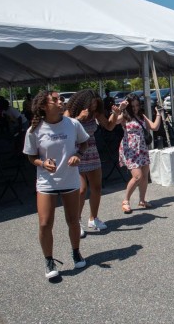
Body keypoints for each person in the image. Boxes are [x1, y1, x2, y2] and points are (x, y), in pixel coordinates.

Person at [22, 91, 89, 279]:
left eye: (61, 98)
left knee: (73, 220)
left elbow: (84, 143)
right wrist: (42, 164)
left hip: (70, 180)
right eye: (56, 99)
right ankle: (49, 260)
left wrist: (78, 155)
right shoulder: (34, 130)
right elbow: (31, 156)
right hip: (46, 182)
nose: (61, 101)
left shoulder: (72, 124)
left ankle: (76, 252)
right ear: (44, 106)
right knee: (44, 224)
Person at [65, 89, 124, 238]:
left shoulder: (96, 113)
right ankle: (76, 222)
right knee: (81, 190)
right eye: (91, 104)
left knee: (97, 187)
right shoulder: (70, 113)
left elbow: (109, 126)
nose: (93, 107)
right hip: (76, 154)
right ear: (82, 102)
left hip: (92, 152)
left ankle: (93, 218)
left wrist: (116, 114)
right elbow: (64, 131)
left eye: (96, 105)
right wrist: (78, 118)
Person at [116, 93, 162, 213]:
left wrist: (158, 114)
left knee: (145, 176)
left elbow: (154, 127)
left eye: (137, 105)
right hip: (130, 149)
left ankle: (142, 200)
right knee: (137, 176)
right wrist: (120, 109)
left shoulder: (141, 116)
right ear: (128, 106)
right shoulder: (125, 116)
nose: (135, 108)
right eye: (132, 106)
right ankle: (126, 200)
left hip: (141, 148)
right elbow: (114, 122)